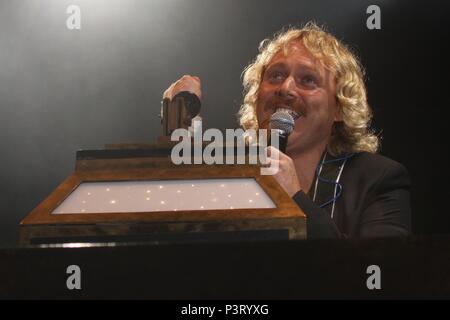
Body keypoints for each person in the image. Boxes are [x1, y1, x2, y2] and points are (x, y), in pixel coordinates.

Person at [163, 22, 411, 239]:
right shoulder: (227, 168)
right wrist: (178, 122)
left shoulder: (377, 180)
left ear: (340, 108)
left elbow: (375, 276)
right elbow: (173, 230)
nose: (286, 88)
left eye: (308, 80)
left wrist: (294, 198)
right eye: (276, 75)